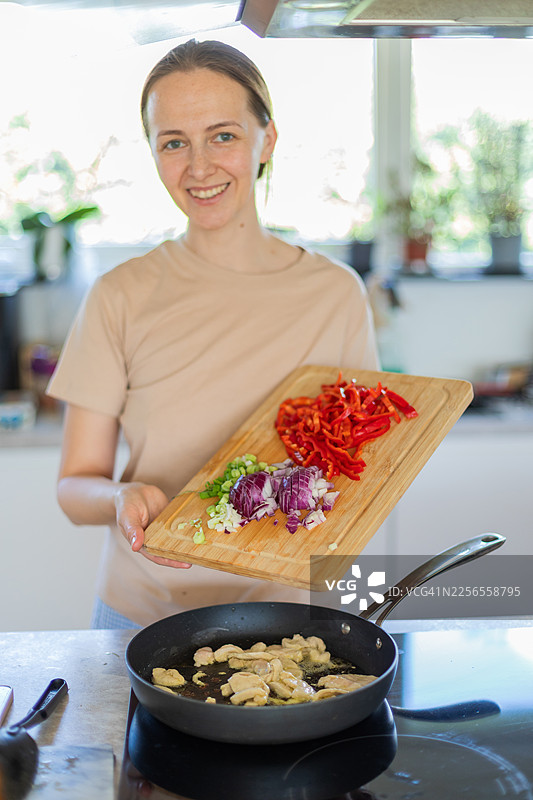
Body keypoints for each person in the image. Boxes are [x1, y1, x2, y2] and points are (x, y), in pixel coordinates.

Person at [47, 38, 379, 629]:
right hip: (142, 614)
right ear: (153, 153)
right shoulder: (119, 294)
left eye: (222, 135)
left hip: (293, 615)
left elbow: (364, 466)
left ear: (266, 139)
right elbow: (76, 485)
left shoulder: (336, 293)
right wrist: (121, 497)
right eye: (174, 142)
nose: (198, 167)